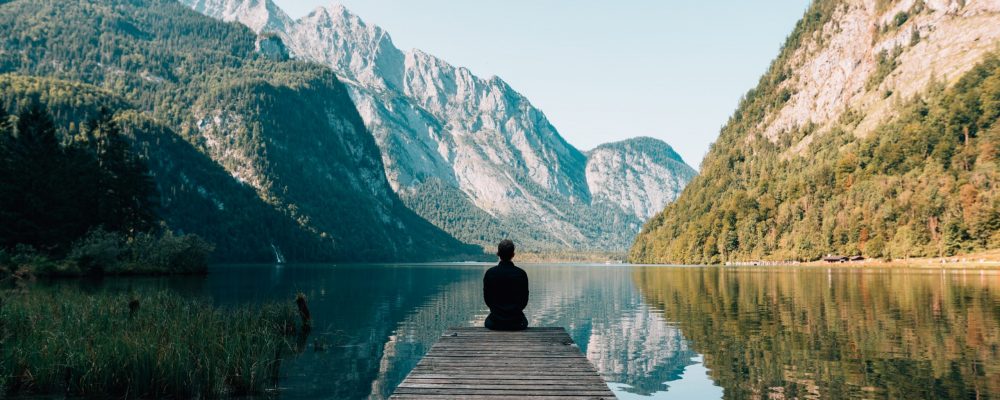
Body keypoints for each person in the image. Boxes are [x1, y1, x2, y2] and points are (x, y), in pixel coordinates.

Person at [483, 239, 529, 331]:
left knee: (487, 322)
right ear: (513, 255)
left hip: (495, 322)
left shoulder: (490, 273)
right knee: (523, 321)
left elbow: (487, 299)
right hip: (517, 323)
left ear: (498, 254)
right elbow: (524, 300)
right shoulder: (521, 274)